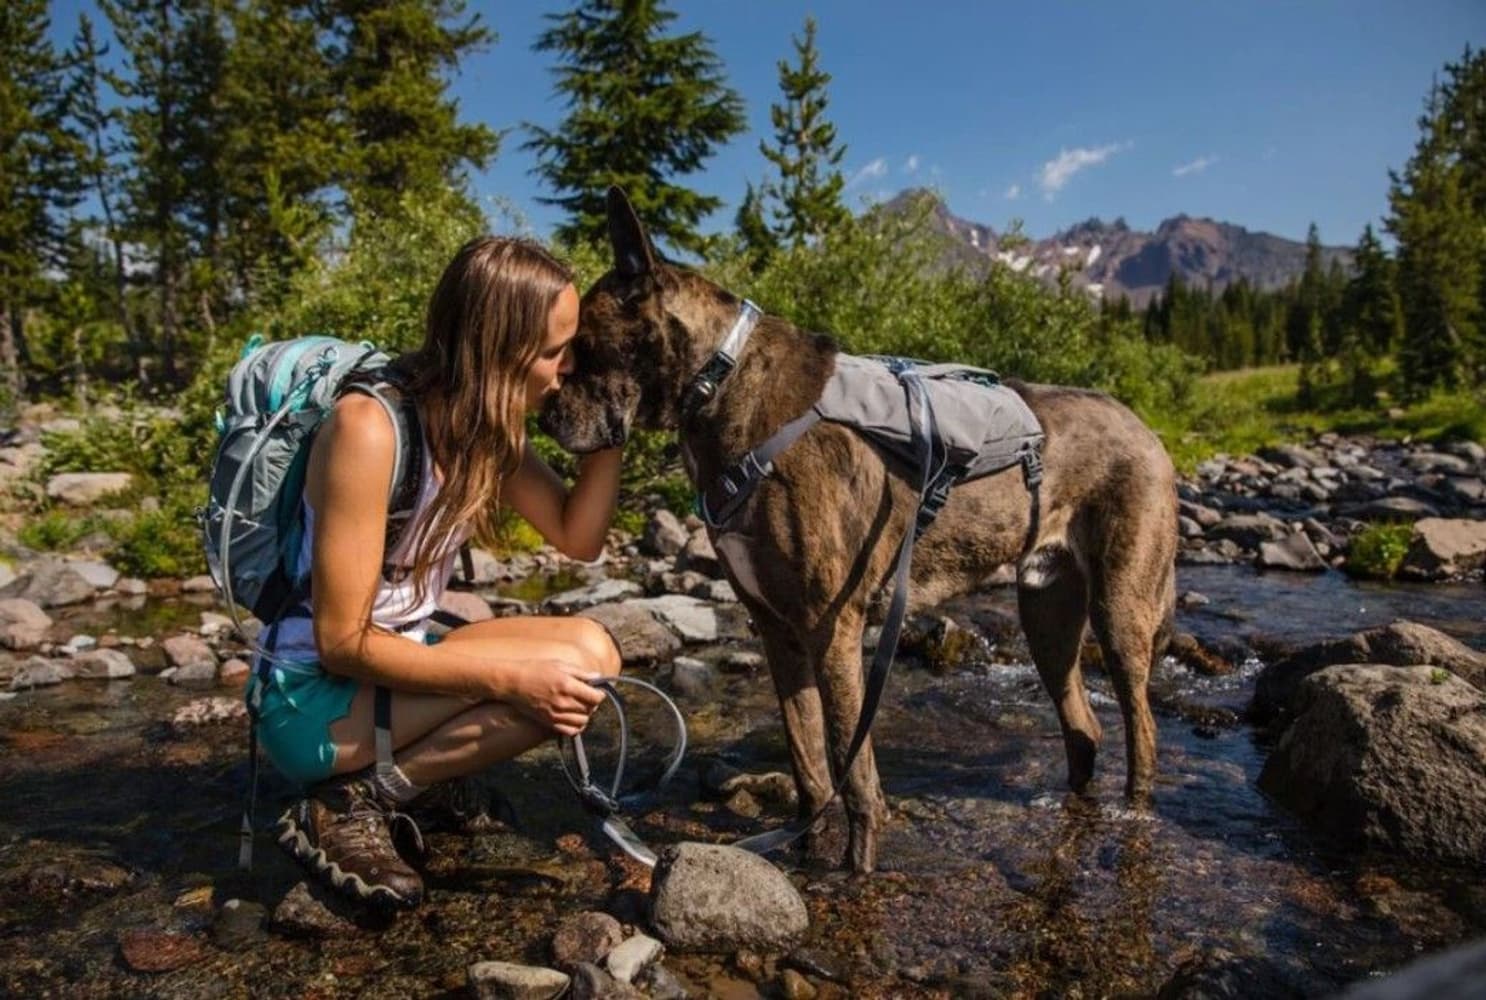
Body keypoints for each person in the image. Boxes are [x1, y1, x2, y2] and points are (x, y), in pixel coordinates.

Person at [248, 236, 623, 909]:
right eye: (554, 352)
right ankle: (354, 800)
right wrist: (512, 680)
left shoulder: (481, 424)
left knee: (593, 653)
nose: (567, 367)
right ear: (499, 349)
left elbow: (578, 537)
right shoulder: (369, 430)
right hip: (313, 702)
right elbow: (342, 643)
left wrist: (611, 424)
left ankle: (408, 775)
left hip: (398, 663)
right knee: (558, 683)